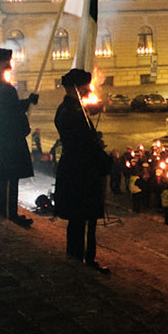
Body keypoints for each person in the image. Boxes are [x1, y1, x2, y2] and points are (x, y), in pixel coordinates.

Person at [53, 68, 109, 267]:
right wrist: (105, 160)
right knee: (85, 219)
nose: (88, 91)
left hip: (74, 170)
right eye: (85, 87)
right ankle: (86, 259)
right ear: (75, 88)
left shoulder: (68, 108)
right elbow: (85, 145)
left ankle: (75, 257)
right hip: (82, 173)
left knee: (77, 220)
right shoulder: (73, 113)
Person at [0, 47, 37, 227]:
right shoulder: (2, 86)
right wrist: (24, 121)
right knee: (8, 177)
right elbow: (10, 112)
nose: (10, 63)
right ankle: (8, 213)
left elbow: (8, 107)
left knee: (4, 177)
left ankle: (3, 210)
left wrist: (27, 101)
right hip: (7, 140)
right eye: (7, 60)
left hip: (0, 138)